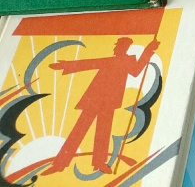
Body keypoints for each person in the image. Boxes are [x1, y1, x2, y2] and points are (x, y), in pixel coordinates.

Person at [45, 37, 160, 175]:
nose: (116, 48)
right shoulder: (111, 60)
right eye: (117, 46)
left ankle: (99, 163)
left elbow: (136, 70)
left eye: (120, 46)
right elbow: (89, 64)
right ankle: (60, 163)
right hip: (93, 100)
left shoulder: (127, 61)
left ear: (125, 48)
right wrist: (66, 65)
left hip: (109, 102)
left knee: (103, 132)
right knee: (78, 131)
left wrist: (149, 49)